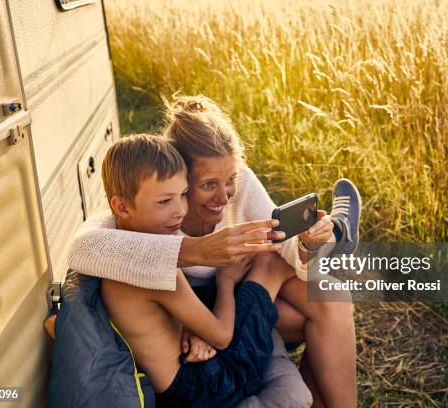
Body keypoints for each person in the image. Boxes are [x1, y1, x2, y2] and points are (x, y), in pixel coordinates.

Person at [69, 95, 361, 407]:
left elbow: (288, 251)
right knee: (290, 303)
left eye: (230, 180)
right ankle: (339, 235)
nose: (224, 198)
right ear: (181, 174)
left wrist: (308, 245)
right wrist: (196, 251)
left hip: (234, 287)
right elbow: (82, 248)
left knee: (331, 296)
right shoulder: (154, 199)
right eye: (208, 185)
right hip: (214, 301)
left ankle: (334, 235)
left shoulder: (240, 183)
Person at [98, 134, 299, 407]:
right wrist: (226, 281)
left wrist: (193, 331)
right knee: (271, 264)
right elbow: (222, 336)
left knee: (258, 262)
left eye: (182, 195)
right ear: (122, 206)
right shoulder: (153, 265)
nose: (180, 211)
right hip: (208, 388)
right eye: (164, 202)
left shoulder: (120, 254)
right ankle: (324, 239)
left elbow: (166, 316)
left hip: (187, 377)